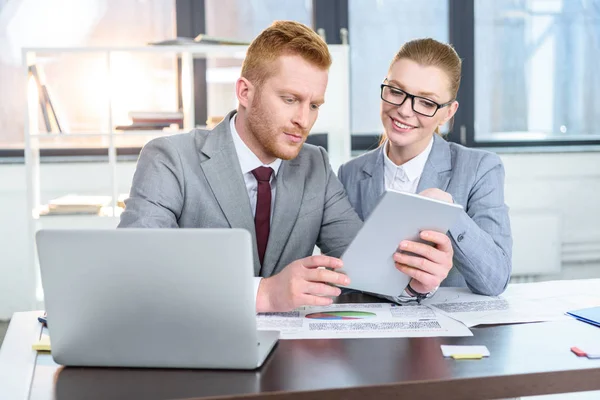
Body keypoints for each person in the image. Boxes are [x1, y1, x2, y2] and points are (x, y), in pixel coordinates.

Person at [119, 22, 454, 312]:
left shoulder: (315, 166)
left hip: (288, 366)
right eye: (290, 99)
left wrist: (415, 283)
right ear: (245, 92)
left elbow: (364, 268)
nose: (303, 120)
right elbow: (136, 272)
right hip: (197, 363)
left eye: (314, 105)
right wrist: (263, 294)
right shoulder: (170, 159)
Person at [338, 38, 512, 296]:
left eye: (427, 103)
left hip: (451, 333)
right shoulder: (350, 174)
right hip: (373, 329)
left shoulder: (480, 169)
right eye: (396, 91)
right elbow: (348, 279)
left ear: (448, 113)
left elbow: (495, 280)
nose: (405, 111)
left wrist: (449, 212)